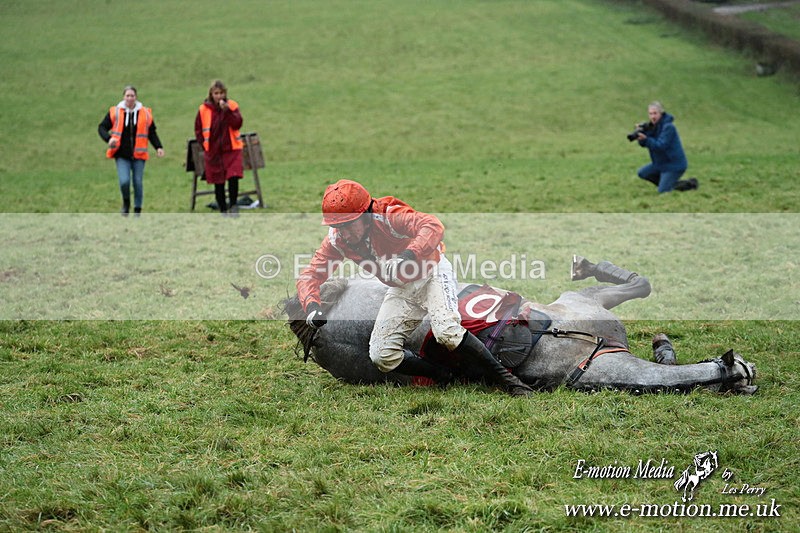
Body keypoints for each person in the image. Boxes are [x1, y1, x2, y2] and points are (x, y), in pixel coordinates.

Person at [296, 179, 534, 396]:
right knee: (381, 355)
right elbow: (310, 275)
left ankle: (509, 382)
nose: (344, 233)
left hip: (433, 273)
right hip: (402, 288)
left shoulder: (388, 215)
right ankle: (443, 376)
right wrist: (312, 305)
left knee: (447, 331)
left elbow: (432, 225)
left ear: (367, 214)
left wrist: (409, 255)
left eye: (349, 225)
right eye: (338, 226)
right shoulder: (337, 239)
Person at [98, 85, 165, 216]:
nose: (130, 98)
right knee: (124, 181)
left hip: (139, 154)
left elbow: (152, 132)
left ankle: (137, 210)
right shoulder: (115, 112)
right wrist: (109, 139)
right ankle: (126, 203)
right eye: (127, 95)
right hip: (121, 154)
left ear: (136, 97)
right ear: (124, 97)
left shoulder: (145, 113)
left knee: (137, 182)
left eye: (132, 96)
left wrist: (158, 147)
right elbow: (101, 127)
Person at [194, 80, 244, 215]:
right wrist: (204, 144)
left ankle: (233, 205)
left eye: (221, 93)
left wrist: (227, 111)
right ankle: (223, 209)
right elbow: (198, 129)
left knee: (233, 177)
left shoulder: (232, 105)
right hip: (213, 150)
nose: (219, 96)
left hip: (232, 148)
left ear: (225, 93)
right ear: (211, 94)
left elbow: (237, 124)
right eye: (216, 93)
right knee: (218, 181)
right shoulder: (203, 109)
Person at [635, 101, 697, 193]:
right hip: (660, 164)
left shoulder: (668, 127)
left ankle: (689, 184)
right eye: (650, 114)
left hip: (674, 165)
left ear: (661, 113)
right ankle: (669, 184)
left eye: (655, 113)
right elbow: (644, 144)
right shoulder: (652, 127)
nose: (653, 116)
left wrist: (646, 139)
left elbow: (660, 146)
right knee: (642, 173)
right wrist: (640, 135)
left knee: (662, 191)